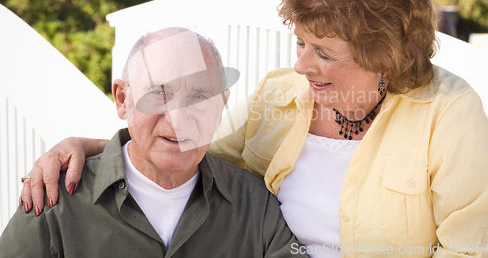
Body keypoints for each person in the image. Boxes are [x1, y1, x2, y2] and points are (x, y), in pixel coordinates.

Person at [20, 0, 488, 257]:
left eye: (325, 54)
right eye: (300, 43)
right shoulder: (281, 96)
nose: (301, 66)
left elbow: (473, 249)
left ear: (384, 57)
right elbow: (194, 153)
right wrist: (89, 146)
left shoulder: (448, 114)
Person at [0, 27, 308, 258]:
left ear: (221, 106)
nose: (178, 119)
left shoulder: (255, 206)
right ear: (123, 100)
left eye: (200, 95)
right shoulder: (56, 199)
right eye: (159, 93)